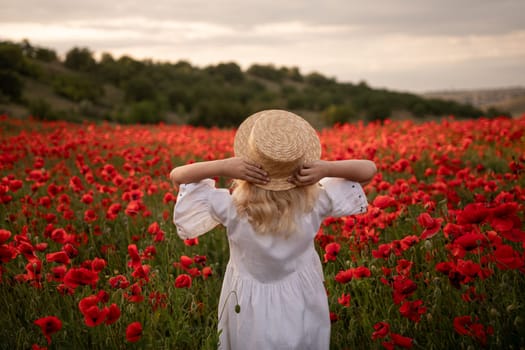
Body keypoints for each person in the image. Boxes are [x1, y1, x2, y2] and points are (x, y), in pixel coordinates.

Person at [170, 109, 376, 350]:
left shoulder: (231, 205)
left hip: (247, 303)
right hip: (302, 298)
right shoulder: (316, 202)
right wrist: (325, 168)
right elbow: (368, 170)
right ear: (302, 164)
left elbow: (178, 177)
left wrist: (224, 166)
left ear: (246, 163)